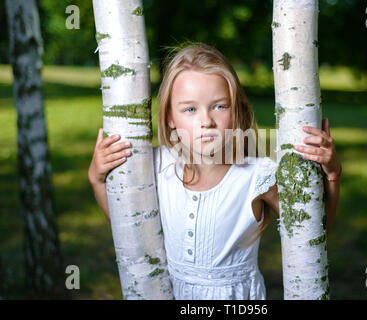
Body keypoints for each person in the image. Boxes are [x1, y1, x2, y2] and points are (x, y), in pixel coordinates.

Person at [88, 42, 341, 300]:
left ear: (236, 110)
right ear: (169, 118)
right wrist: (97, 179)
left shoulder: (257, 175)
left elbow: (313, 232)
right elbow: (128, 228)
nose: (206, 121)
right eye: (189, 109)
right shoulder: (155, 165)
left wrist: (332, 176)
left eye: (219, 106)